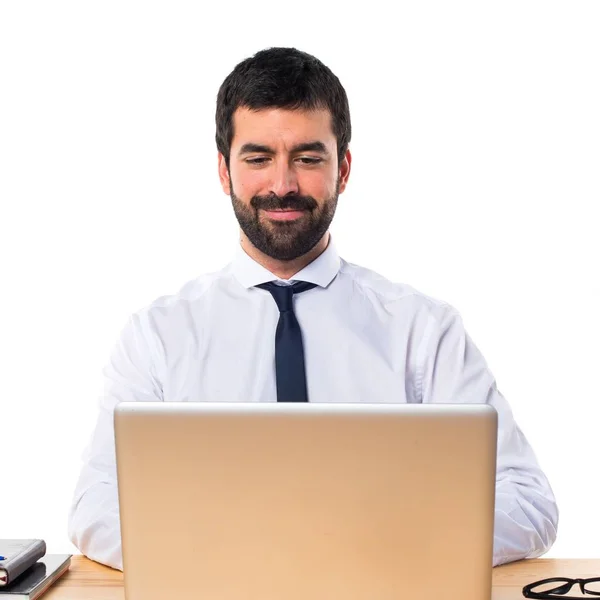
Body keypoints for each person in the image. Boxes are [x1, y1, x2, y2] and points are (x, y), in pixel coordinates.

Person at [68, 46, 558, 570]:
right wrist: (248, 552)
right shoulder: (158, 336)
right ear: (223, 171)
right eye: (258, 159)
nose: (282, 184)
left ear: (343, 168)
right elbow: (95, 506)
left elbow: (527, 502)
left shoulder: (423, 330)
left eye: (307, 158)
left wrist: (373, 543)